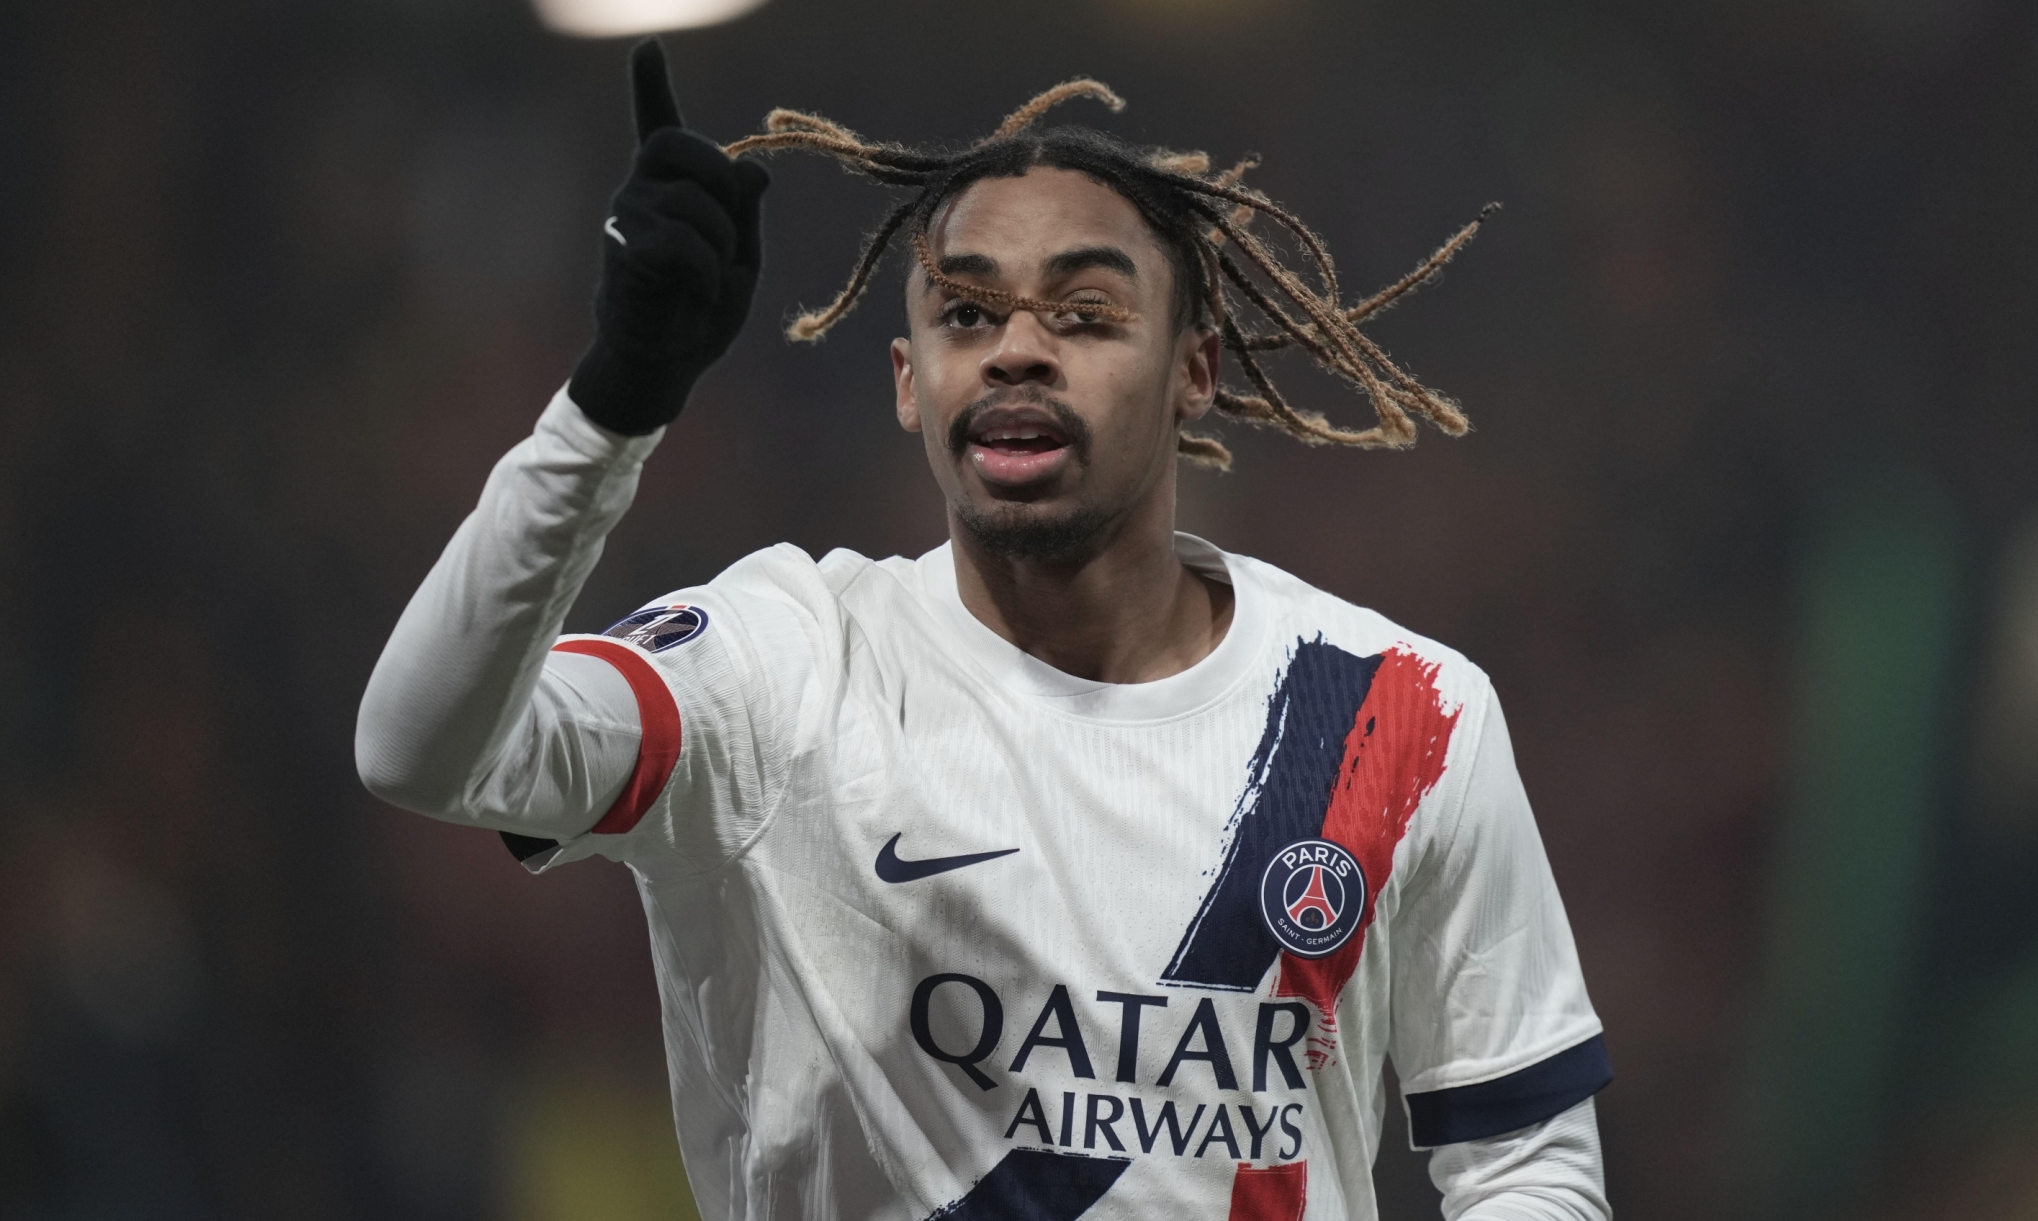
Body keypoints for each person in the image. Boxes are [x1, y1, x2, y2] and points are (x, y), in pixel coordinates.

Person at [357, 39, 1612, 1221]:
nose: (1016, 349)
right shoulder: (783, 662)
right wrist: (609, 411)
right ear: (910, 384)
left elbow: (1525, 1154)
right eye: (965, 313)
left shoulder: (1406, 714)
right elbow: (419, 748)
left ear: (1194, 370)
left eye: (1084, 315)